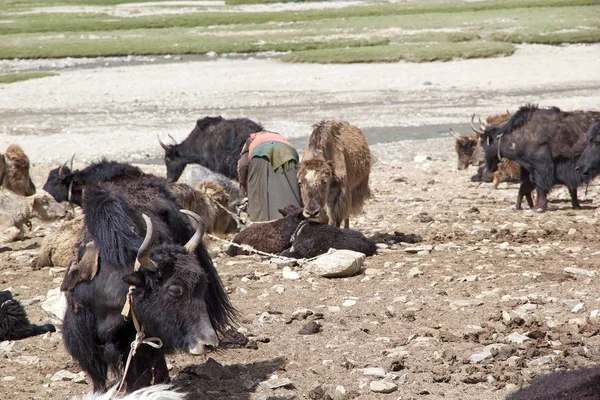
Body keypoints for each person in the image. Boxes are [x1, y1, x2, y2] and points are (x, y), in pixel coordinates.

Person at [237, 131, 302, 222]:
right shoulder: (281, 138)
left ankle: (259, 223)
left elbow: (243, 165)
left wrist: (243, 185)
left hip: (259, 155)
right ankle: (295, 222)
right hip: (288, 153)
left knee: (258, 197)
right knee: (290, 191)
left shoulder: (251, 140)